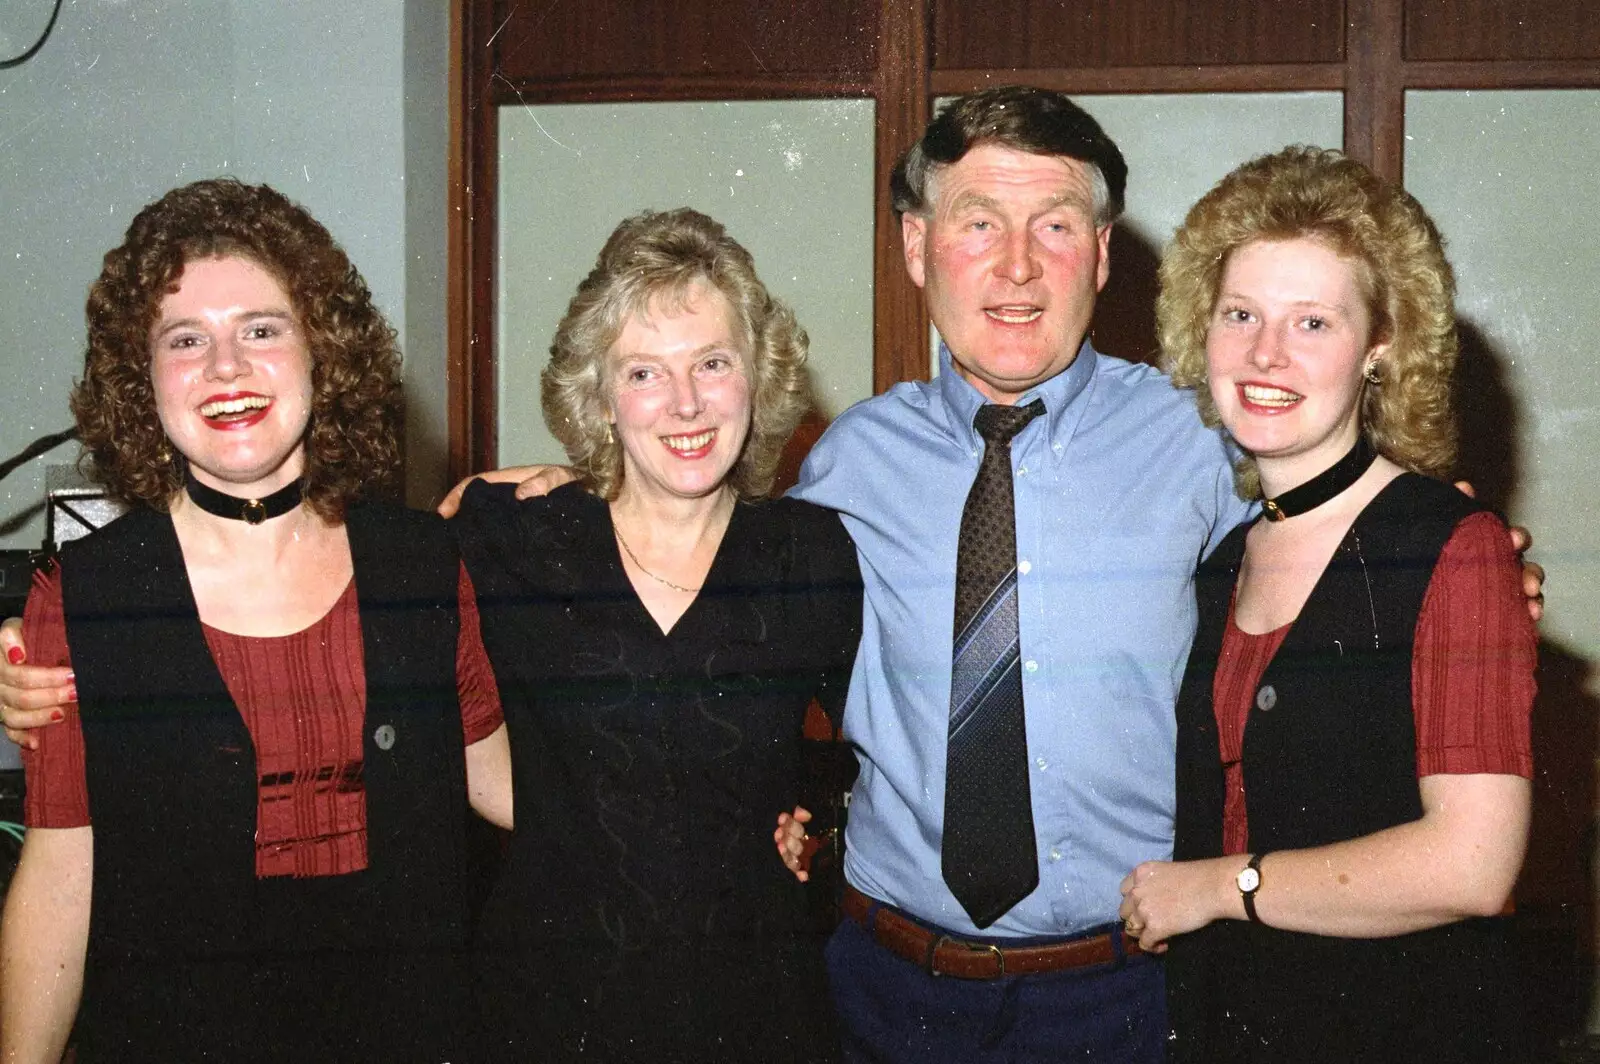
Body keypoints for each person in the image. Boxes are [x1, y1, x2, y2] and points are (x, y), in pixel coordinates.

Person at [432, 86, 1541, 1062]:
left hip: (1126, 987)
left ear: (1103, 255)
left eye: (1054, 225)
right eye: (977, 224)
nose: (1016, 266)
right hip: (881, 985)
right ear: (917, 247)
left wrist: (1480, 565)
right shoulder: (840, 464)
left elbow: (1351, 518)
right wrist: (576, 476)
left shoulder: (1207, 436)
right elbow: (714, 603)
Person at [0, 179, 511, 1063]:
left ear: (325, 350)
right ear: (142, 376)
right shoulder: (82, 599)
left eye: (262, 329)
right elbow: (59, 880)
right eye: (185, 339)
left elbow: (517, 790)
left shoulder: (425, 563)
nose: (226, 368)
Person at [1116, 146, 1534, 1062]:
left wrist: (1222, 888)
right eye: (1241, 314)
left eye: (1313, 322)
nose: (1266, 354)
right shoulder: (1226, 557)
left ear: (1380, 347)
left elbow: (1475, 866)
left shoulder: (1452, 547)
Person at [454, 208, 861, 1062]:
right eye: (644, 371)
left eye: (713, 362)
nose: (685, 403)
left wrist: (815, 827)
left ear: (759, 375)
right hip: (548, 1009)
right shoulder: (514, 540)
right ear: (600, 399)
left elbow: (875, 755)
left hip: (755, 1012)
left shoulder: (811, 554)